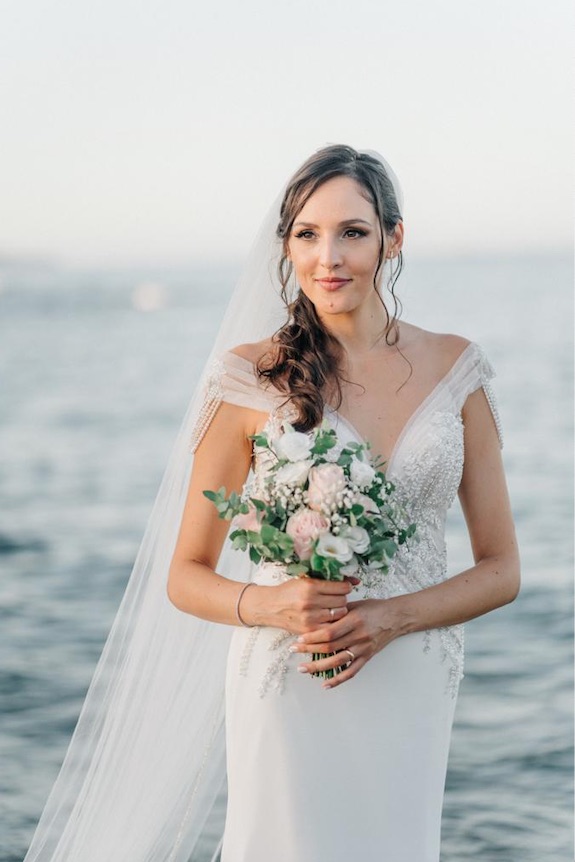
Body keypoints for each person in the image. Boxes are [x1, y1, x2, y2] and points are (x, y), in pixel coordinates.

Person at [24, 145, 520, 862]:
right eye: (306, 234)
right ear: (285, 245)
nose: (329, 257)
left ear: (393, 237)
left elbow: (501, 569)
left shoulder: (456, 368)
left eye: (352, 231)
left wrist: (389, 619)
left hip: (412, 669)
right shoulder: (248, 379)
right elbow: (185, 574)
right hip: (289, 669)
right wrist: (276, 604)